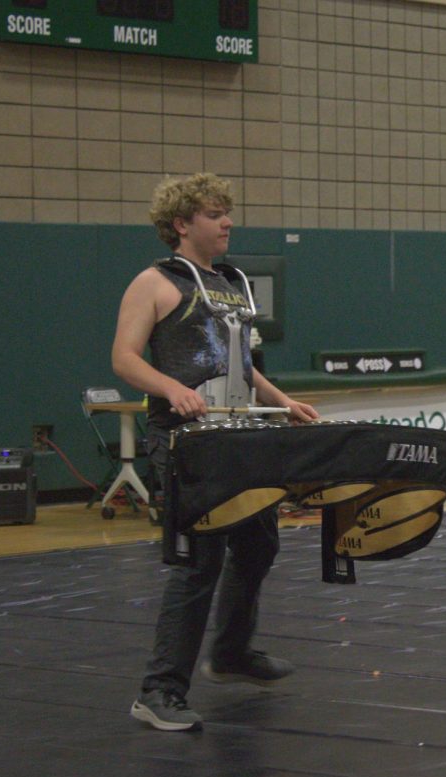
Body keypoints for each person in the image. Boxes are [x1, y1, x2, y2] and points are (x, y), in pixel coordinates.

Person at [112, 173, 319, 731]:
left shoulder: (233, 282)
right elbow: (124, 359)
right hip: (186, 441)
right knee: (198, 562)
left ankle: (229, 653)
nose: (228, 222)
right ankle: (158, 691)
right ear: (182, 224)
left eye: (227, 211)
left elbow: (242, 367)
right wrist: (171, 388)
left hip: (240, 434)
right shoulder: (153, 283)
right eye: (214, 213)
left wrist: (283, 400)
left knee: (258, 544)